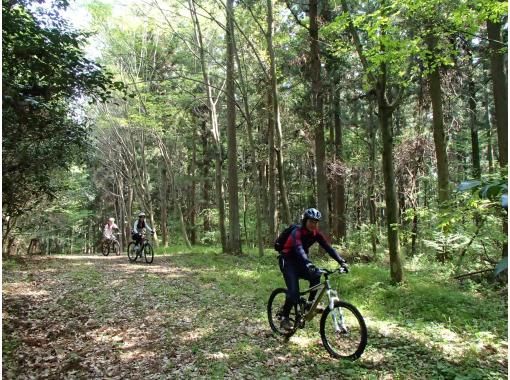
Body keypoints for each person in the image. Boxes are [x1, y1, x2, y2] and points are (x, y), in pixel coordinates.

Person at [278, 208, 348, 330]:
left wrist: (341, 261)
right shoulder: (297, 232)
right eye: (311, 221)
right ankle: (285, 317)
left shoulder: (315, 234)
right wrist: (308, 263)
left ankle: (309, 304)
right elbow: (299, 249)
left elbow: (328, 248)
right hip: (288, 261)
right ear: (305, 221)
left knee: (316, 275)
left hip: (300, 262)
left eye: (316, 222)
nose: (313, 224)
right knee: (294, 292)